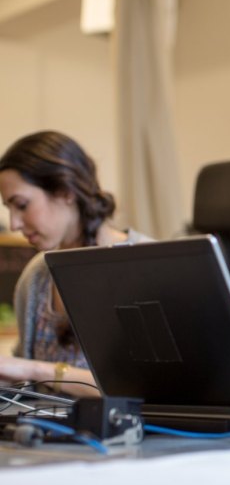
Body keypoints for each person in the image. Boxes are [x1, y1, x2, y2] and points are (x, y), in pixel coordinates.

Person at [0, 130, 150, 396]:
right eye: (9, 209)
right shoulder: (36, 276)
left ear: (65, 191)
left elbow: (149, 391)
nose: (14, 223)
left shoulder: (148, 263)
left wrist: (35, 371)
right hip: (43, 435)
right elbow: (24, 387)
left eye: (21, 205)